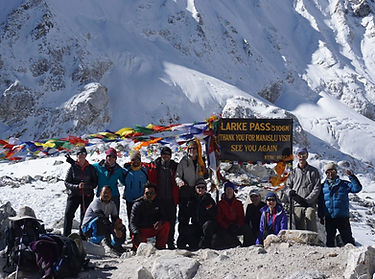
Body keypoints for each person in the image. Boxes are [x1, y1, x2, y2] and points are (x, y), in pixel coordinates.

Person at [318, 162, 362, 247]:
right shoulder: (322, 187)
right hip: (329, 217)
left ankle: (354, 257)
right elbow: (320, 202)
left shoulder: (344, 184)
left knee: (348, 240)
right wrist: (321, 216)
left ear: (336, 172)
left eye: (333, 171)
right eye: (328, 172)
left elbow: (357, 188)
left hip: (343, 217)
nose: (330, 173)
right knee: (330, 239)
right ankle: (330, 259)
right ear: (326, 173)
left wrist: (352, 177)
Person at [146, 146, 179, 249]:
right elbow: (143, 166)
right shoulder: (155, 165)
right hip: (158, 198)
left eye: (168, 154)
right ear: (161, 155)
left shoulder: (174, 166)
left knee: (171, 221)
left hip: (170, 198)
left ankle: (170, 241)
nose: (166, 156)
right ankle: (159, 242)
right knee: (158, 221)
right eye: (164, 154)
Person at [63, 147, 98, 237]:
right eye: (80, 155)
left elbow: (95, 182)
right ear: (77, 156)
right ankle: (66, 235)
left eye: (83, 155)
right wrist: (76, 187)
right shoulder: (73, 168)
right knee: (68, 214)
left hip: (87, 195)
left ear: (86, 156)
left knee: (85, 216)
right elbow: (66, 182)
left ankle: (83, 236)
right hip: (74, 195)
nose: (81, 156)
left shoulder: (91, 168)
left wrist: (87, 186)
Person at [285, 147, 321, 232]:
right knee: (299, 228)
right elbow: (287, 186)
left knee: (310, 215)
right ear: (297, 156)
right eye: (299, 154)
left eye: (304, 154)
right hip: (296, 204)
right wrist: (290, 192)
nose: (302, 157)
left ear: (307, 156)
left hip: (309, 204)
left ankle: (313, 241)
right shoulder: (292, 172)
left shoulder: (313, 171)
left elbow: (317, 187)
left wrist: (308, 200)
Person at [175, 139, 208, 230]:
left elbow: (205, 175)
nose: (192, 150)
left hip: (198, 192)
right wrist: (180, 182)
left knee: (196, 217)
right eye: (190, 148)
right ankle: (181, 241)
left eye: (194, 148)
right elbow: (177, 176)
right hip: (185, 191)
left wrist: (205, 172)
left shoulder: (201, 161)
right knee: (183, 218)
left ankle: (194, 241)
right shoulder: (184, 161)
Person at [81, 186, 126, 252]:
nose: (106, 195)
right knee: (100, 221)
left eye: (108, 193)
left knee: (121, 227)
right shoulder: (96, 202)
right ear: (100, 193)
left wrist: (118, 227)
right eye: (104, 192)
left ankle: (115, 245)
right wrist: (113, 228)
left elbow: (115, 218)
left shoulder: (112, 204)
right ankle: (92, 242)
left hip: (104, 224)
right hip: (88, 228)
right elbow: (101, 217)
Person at [129, 182, 170, 251]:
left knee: (166, 225)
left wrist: (161, 221)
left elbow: (165, 216)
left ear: (156, 194)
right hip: (141, 231)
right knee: (142, 250)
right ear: (144, 194)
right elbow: (132, 223)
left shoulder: (159, 202)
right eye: (147, 193)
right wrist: (136, 233)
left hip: (153, 228)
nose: (149, 195)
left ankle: (160, 247)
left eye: (152, 193)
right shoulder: (137, 205)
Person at [213, 182, 254, 249]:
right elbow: (219, 218)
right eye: (227, 189)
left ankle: (248, 245)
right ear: (225, 191)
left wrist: (237, 225)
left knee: (246, 228)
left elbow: (241, 216)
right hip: (225, 226)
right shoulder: (220, 204)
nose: (229, 191)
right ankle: (235, 243)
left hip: (236, 225)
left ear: (233, 191)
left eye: (230, 189)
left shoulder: (238, 203)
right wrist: (227, 226)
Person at [93, 147, 126, 213]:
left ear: (115, 159)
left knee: (115, 217)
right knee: (102, 218)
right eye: (109, 156)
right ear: (106, 157)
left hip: (114, 195)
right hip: (101, 195)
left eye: (113, 156)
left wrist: (129, 168)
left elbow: (124, 182)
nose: (111, 158)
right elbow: (86, 166)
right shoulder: (98, 166)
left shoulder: (118, 169)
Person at [123, 150, 148, 225]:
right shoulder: (126, 171)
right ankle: (131, 234)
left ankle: (140, 235)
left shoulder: (144, 171)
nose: (136, 162)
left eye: (137, 159)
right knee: (130, 218)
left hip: (141, 199)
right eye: (133, 160)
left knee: (140, 218)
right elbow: (122, 181)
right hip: (130, 199)